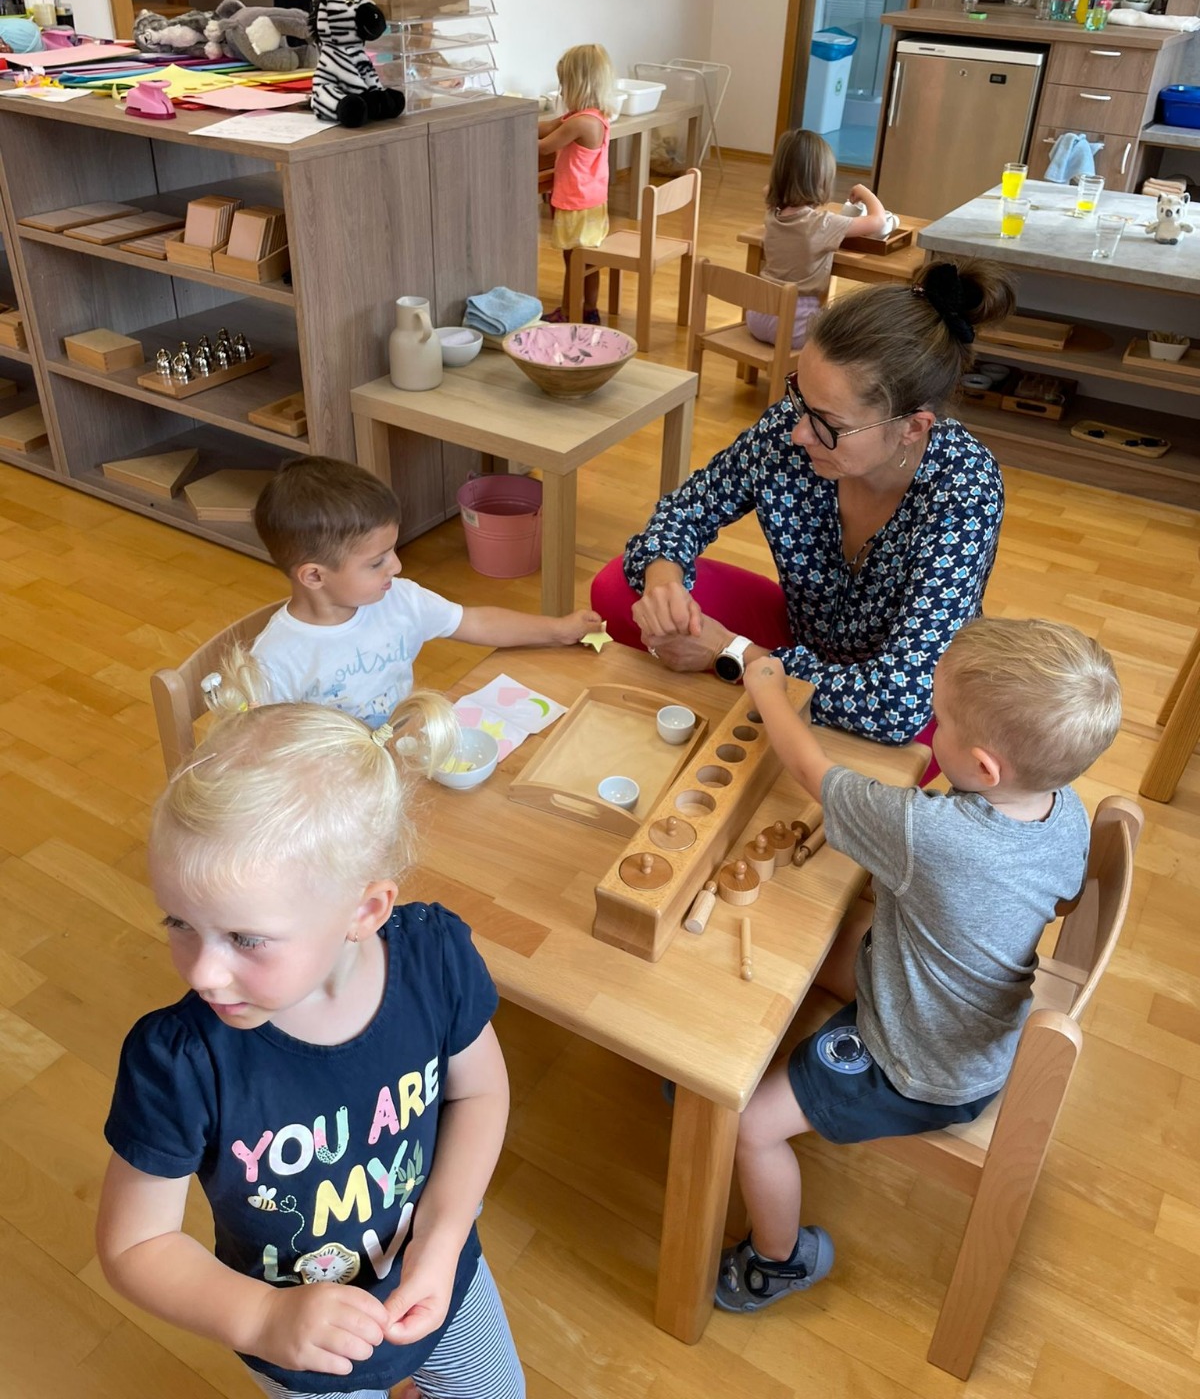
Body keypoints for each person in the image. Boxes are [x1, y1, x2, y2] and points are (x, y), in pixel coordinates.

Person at [96, 683, 526, 1398]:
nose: (204, 971)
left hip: (446, 1279)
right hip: (300, 1347)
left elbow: (480, 1091)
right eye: (179, 924)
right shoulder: (178, 1063)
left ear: (365, 907)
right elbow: (136, 1242)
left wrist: (445, 1233)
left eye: (245, 938)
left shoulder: (434, 960)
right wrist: (264, 1316)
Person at [715, 616, 1122, 1312]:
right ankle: (709, 1072)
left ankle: (777, 1260)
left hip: (920, 1065)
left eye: (939, 723)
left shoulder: (928, 831)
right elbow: (1053, 903)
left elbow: (810, 770)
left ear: (987, 767)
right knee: (809, 938)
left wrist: (766, 686)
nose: (928, 732)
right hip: (977, 1017)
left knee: (750, 1127)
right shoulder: (1065, 809)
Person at [593, 259, 1014, 748]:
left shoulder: (964, 489)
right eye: (799, 396)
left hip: (912, 697)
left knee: (899, 756)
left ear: (912, 427)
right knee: (618, 587)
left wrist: (728, 652)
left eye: (828, 423)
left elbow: (897, 705)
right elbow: (687, 508)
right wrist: (663, 577)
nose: (798, 432)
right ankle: (764, 694)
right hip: (801, 645)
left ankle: (760, 690)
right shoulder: (792, 430)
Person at [251, 456, 600, 727]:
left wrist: (557, 629)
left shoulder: (399, 600)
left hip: (403, 746)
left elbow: (476, 623)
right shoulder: (275, 660)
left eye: (393, 550)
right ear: (314, 576)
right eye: (377, 562)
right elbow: (257, 744)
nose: (397, 567)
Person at [746, 128, 889, 351]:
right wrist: (865, 192)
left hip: (758, 315)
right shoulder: (822, 224)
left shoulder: (772, 213)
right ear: (822, 181)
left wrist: (782, 184)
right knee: (849, 328)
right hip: (795, 326)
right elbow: (878, 221)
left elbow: (768, 190)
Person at [537, 43, 615, 324]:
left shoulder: (580, 123)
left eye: (564, 84)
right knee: (589, 262)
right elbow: (547, 126)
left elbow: (544, 146)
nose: (561, 92)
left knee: (574, 262)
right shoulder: (593, 117)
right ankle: (590, 309)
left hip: (575, 204)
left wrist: (511, 137)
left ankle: (569, 312)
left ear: (578, 85)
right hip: (593, 202)